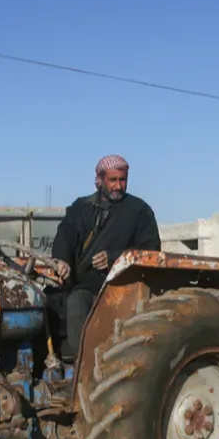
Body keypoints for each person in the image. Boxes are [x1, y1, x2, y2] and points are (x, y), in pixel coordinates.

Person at [50, 154, 160, 360]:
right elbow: (65, 233)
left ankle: (82, 367)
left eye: (122, 180)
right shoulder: (81, 207)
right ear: (99, 180)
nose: (118, 186)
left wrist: (115, 258)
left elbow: (151, 251)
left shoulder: (139, 211)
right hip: (80, 283)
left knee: (77, 302)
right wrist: (61, 260)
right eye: (113, 180)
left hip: (119, 287)